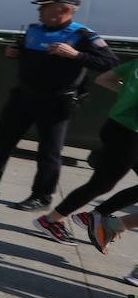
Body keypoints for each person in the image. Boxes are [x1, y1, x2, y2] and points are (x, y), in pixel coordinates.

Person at [0, 0, 118, 212]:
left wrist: (76, 55)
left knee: (49, 151)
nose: (39, 10)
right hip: (24, 96)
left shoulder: (82, 35)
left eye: (45, 6)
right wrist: (14, 52)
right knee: (1, 143)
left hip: (56, 102)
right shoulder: (34, 30)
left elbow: (111, 63)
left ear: (64, 9)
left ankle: (42, 197)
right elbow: (28, 53)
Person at [35, 58, 138, 248]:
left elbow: (104, 79)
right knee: (101, 184)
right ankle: (52, 221)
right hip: (131, 135)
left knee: (101, 183)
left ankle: (93, 216)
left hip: (116, 126)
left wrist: (126, 94)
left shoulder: (135, 63)